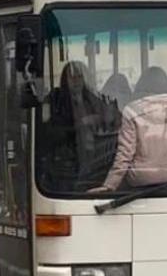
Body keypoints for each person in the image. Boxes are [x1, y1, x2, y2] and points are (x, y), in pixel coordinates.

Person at [91, 66, 167, 192]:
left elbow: (125, 154)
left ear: (141, 87)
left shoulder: (131, 112)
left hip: (140, 182)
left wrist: (109, 185)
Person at [46, 61, 118, 189]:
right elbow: (54, 129)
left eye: (80, 77)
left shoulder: (94, 99)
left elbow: (109, 121)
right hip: (69, 158)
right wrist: (81, 123)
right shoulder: (57, 102)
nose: (76, 81)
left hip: (98, 157)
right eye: (72, 77)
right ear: (65, 80)